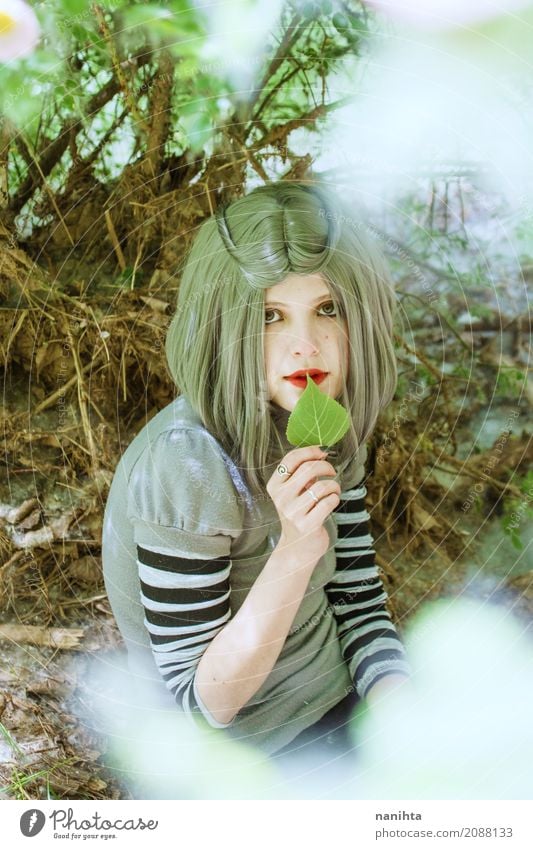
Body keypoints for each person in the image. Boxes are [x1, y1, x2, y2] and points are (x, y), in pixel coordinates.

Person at [101, 181, 410, 773]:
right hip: (250, 759)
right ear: (226, 323)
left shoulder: (324, 421)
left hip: (342, 705)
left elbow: (357, 598)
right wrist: (297, 546)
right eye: (270, 316)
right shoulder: (187, 464)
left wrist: (398, 704)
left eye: (328, 310)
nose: (305, 345)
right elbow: (203, 705)